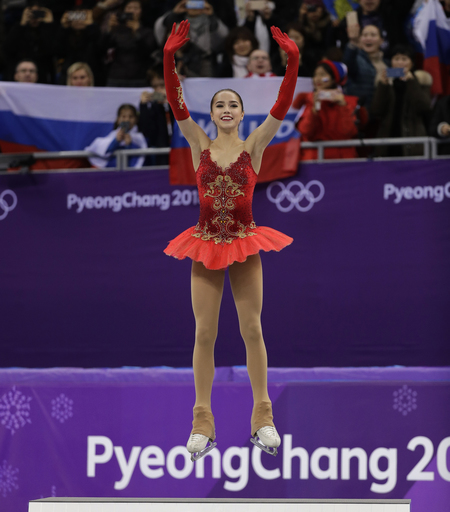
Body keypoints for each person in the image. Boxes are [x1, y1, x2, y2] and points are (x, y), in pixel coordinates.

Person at [163, 20, 299, 460]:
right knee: (205, 333)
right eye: (219, 103)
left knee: (252, 328)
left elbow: (281, 106)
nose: (225, 109)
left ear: (242, 115)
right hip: (205, 243)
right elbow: (176, 104)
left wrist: (292, 63)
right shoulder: (198, 143)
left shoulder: (254, 146)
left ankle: (263, 416)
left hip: (242, 242)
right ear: (212, 114)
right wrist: (169, 61)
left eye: (232, 104)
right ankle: (202, 420)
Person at [293, 59, 365, 160]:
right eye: (315, 75)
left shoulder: (350, 102)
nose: (317, 79)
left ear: (334, 78)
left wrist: (343, 106)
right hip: (315, 158)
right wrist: (314, 111)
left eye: (323, 75)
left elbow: (348, 132)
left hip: (343, 160)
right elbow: (306, 132)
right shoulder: (309, 101)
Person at [370, 44, 432, 157]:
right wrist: (383, 85)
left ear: (412, 63)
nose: (400, 63)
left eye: (404, 59)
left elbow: (424, 107)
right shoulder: (385, 82)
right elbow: (376, 110)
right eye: (396, 59)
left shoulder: (421, 81)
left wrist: (411, 82)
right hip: (388, 139)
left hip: (413, 139)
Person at [102, 0, 156, 87]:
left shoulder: (147, 32)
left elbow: (147, 52)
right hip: (116, 77)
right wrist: (109, 30)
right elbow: (102, 48)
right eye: (129, 8)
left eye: (136, 8)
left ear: (141, 11)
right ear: (124, 11)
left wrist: (137, 32)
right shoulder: (116, 31)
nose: (132, 11)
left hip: (139, 78)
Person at [5, 2, 56, 83]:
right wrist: (22, 24)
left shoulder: (47, 29)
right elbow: (9, 48)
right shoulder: (18, 28)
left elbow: (52, 50)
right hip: (19, 74)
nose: (34, 17)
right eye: (31, 13)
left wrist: (48, 25)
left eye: (38, 13)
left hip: (42, 74)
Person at [343, 24, 388, 110]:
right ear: (360, 39)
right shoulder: (356, 59)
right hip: (360, 112)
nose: (368, 38)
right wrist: (353, 42)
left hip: (382, 115)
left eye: (373, 35)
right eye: (365, 35)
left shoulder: (387, 63)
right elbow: (348, 64)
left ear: (381, 40)